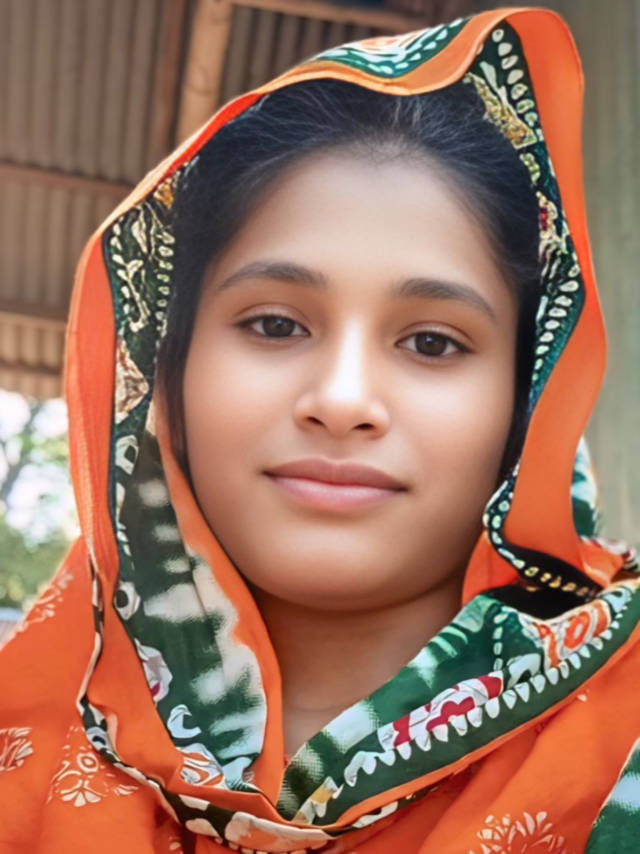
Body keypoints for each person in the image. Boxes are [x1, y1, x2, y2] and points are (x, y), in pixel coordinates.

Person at [0, 6, 639, 853]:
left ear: (529, 400)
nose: (342, 400)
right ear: (166, 371)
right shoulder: (28, 722)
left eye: (432, 342)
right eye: (274, 325)